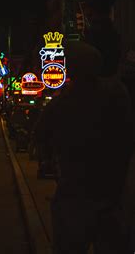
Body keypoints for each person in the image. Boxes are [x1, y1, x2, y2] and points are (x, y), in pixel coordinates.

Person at [34, 41, 133, 253]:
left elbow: (40, 136)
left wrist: (50, 159)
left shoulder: (61, 103)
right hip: (111, 193)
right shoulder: (116, 93)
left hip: (75, 195)